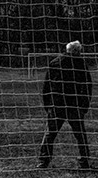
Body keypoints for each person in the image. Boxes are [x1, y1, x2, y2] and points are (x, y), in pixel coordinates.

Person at [37, 40, 92, 169]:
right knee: (80, 134)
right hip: (74, 104)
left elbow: (47, 85)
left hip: (57, 104)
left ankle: (43, 160)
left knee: (50, 134)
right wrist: (85, 105)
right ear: (77, 51)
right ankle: (84, 161)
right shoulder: (81, 64)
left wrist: (47, 104)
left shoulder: (55, 62)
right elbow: (87, 87)